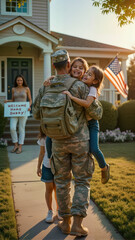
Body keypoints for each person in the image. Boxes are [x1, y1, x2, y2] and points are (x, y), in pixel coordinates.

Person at [33, 49, 94, 237]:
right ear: (68, 65)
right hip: (79, 141)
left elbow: (36, 113)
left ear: (53, 65)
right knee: (82, 181)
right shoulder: (79, 86)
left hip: (58, 142)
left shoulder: (46, 86)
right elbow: (96, 112)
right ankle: (77, 224)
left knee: (61, 182)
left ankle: (65, 223)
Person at [63, 65, 110, 184]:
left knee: (94, 148)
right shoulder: (82, 85)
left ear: (95, 81)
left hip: (92, 124)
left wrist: (72, 97)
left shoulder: (92, 89)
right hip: (83, 123)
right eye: (86, 72)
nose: (85, 75)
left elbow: (87, 104)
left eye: (90, 75)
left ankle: (104, 167)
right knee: (86, 150)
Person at [37, 127, 62, 223]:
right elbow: (42, 153)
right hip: (47, 167)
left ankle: (59, 210)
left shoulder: (58, 135)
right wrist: (38, 167)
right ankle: (50, 211)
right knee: (49, 189)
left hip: (58, 167)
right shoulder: (43, 138)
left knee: (58, 189)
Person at [4, 74, 32, 154]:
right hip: (15, 111)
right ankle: (15, 144)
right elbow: (13, 100)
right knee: (12, 128)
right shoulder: (13, 89)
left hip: (23, 111)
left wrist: (29, 106)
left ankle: (20, 146)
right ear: (16, 81)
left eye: (21, 80)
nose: (19, 81)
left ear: (23, 81)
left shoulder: (26, 89)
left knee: (21, 129)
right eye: (18, 80)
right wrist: (7, 101)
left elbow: (30, 100)